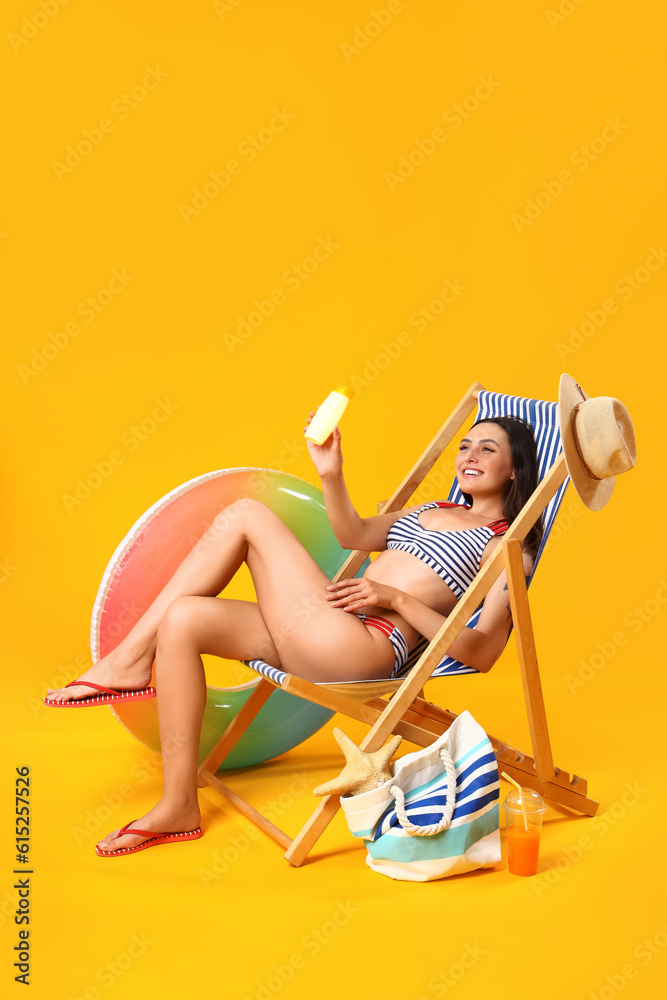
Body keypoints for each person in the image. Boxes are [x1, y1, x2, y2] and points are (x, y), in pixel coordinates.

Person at [45, 413, 540, 856]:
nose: (469, 456)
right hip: (324, 626)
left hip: (362, 648)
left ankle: (127, 663)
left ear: (515, 469)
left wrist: (396, 600)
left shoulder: (507, 548)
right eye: (465, 446)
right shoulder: (429, 510)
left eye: (487, 448)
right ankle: (178, 806)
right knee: (184, 619)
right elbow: (354, 534)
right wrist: (331, 473)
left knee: (246, 515)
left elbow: (484, 651)